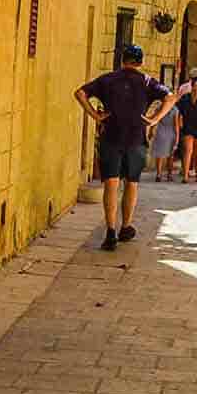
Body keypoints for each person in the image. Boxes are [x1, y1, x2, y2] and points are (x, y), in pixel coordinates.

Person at [76, 45, 172, 250]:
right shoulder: (147, 82)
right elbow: (170, 97)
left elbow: (80, 93)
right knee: (131, 183)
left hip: (111, 137)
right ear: (140, 62)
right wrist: (155, 119)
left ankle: (110, 231)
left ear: (122, 60)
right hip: (136, 140)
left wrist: (95, 115)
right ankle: (125, 227)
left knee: (111, 184)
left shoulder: (107, 79)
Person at [150, 89, 181, 180]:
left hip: (160, 132)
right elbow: (176, 125)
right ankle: (169, 175)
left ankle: (158, 174)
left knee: (159, 155)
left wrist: (151, 131)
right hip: (170, 133)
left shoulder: (159, 107)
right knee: (170, 156)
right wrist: (177, 138)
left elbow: (154, 120)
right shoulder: (175, 110)